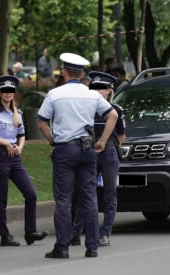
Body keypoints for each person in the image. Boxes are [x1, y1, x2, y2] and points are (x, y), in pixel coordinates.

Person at [37, 53, 118, 259]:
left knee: (63, 199)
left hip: (65, 148)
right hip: (88, 148)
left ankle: (62, 247)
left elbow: (41, 122)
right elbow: (113, 115)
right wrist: (102, 141)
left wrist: (52, 140)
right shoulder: (92, 95)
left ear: (64, 72)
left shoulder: (54, 94)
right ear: (82, 74)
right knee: (89, 197)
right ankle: (92, 247)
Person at [0, 75, 49, 247]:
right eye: (4, 91)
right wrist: (7, 144)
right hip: (0, 156)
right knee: (1, 198)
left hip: (15, 158)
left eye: (11, 91)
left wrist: (20, 148)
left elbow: (22, 135)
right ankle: (4, 236)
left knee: (31, 194)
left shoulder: (18, 113)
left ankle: (30, 232)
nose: (8, 94)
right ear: (0, 93)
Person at [71, 71, 126, 248]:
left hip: (108, 152)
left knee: (110, 194)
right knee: (85, 193)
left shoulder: (116, 110)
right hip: (89, 152)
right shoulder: (85, 108)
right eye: (94, 87)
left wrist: (105, 143)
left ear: (109, 91)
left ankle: (105, 233)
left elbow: (121, 137)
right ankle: (76, 232)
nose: (97, 91)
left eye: (101, 88)